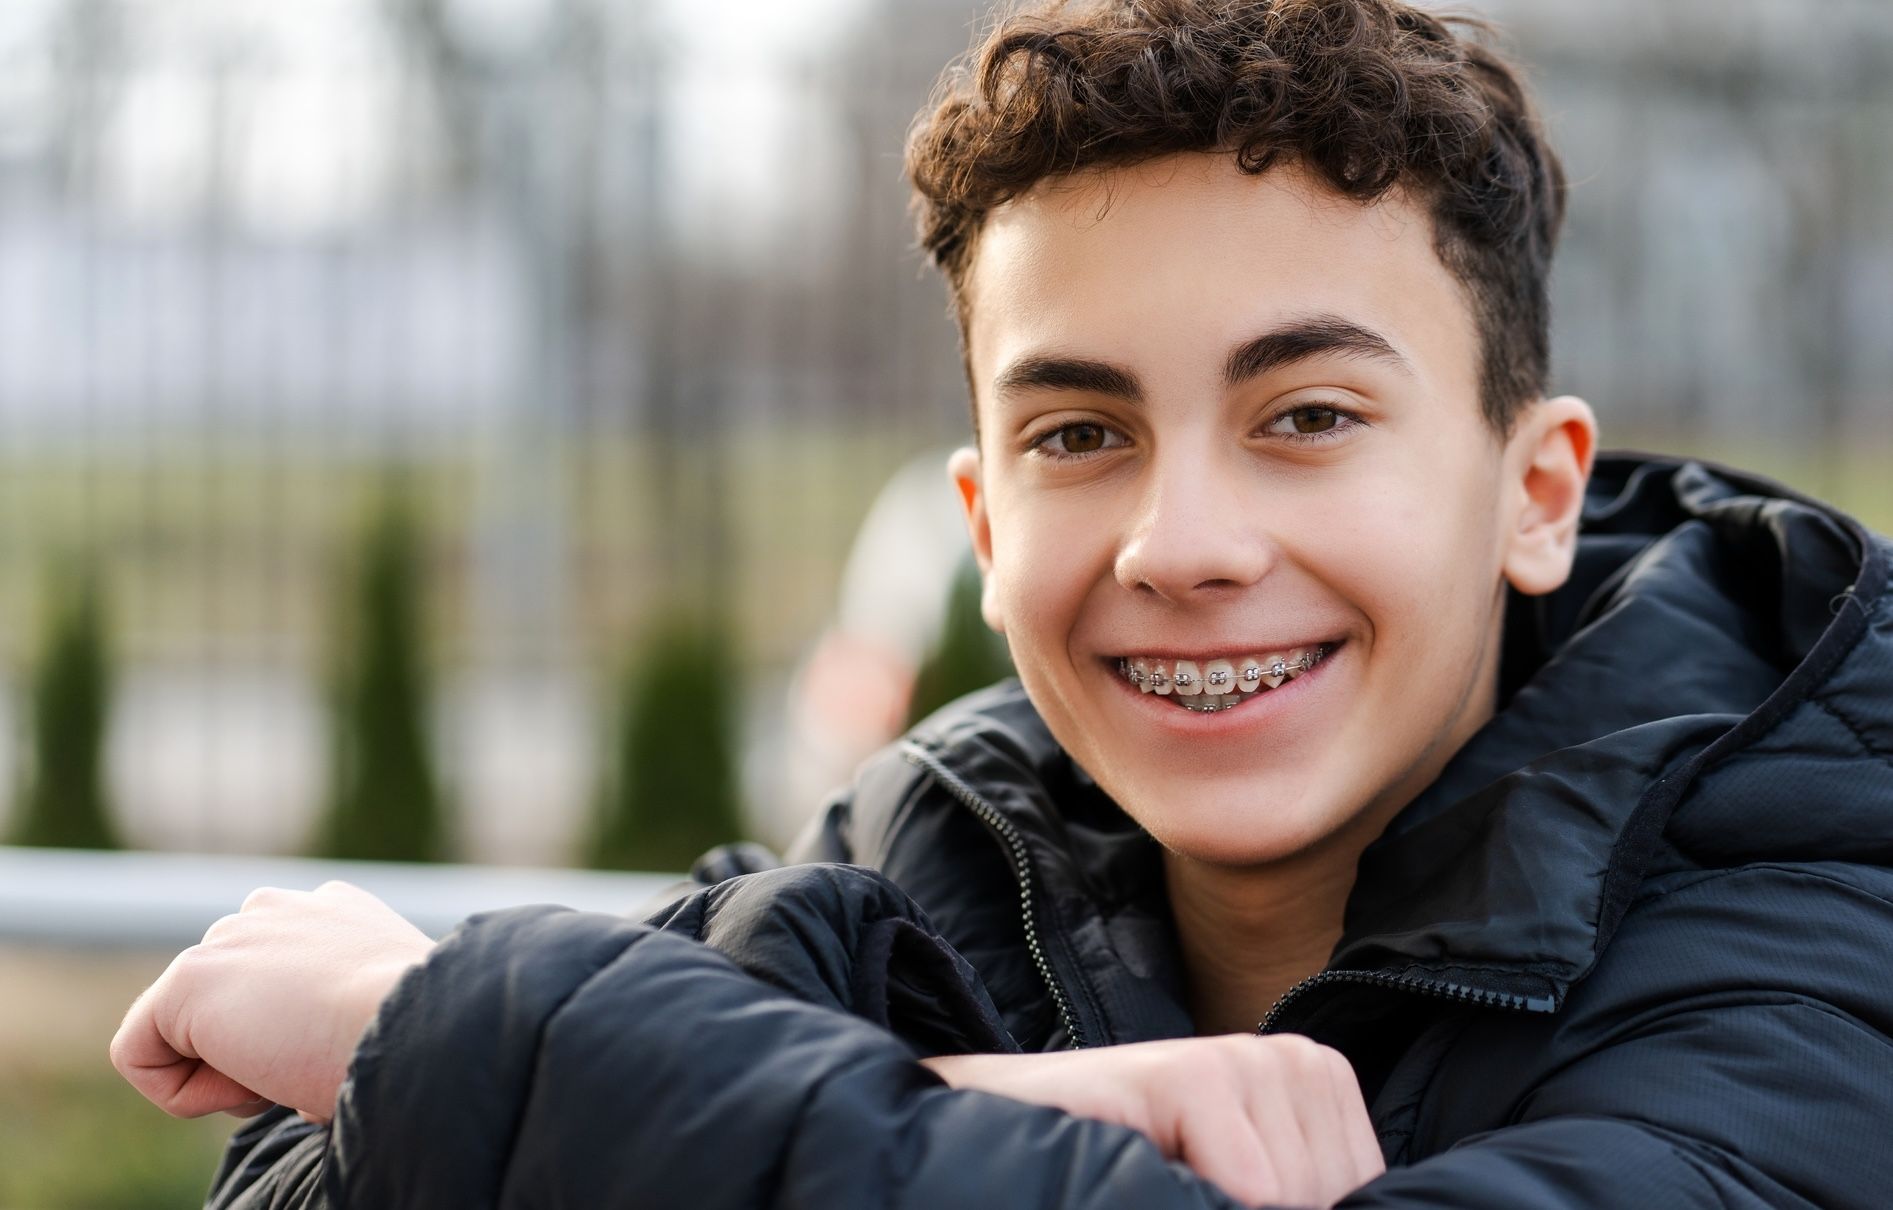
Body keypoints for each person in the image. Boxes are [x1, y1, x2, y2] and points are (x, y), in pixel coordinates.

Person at [111, 1, 1893, 1207]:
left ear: (1533, 490)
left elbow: (463, 1099)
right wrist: (1055, 1108)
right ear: (979, 510)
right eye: (1078, 429)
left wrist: (465, 1027)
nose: (1178, 542)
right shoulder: (937, 834)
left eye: (1307, 416)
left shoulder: (1814, 881)